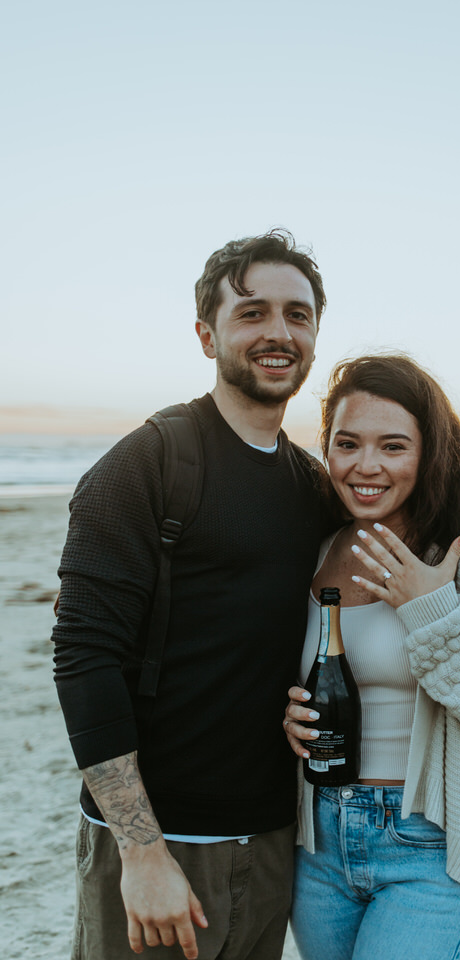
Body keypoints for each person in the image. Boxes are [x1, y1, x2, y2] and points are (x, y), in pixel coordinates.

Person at [51, 229, 335, 960]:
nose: (279, 333)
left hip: (273, 843)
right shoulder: (147, 464)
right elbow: (84, 660)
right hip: (157, 849)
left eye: (298, 315)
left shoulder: (312, 489)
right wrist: (142, 854)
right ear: (207, 336)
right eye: (253, 313)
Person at [283, 354, 460, 960]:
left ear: (428, 455)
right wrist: (289, 720)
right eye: (347, 444)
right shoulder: (312, 549)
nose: (367, 466)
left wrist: (431, 605)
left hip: (429, 844)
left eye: (393, 446)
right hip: (319, 844)